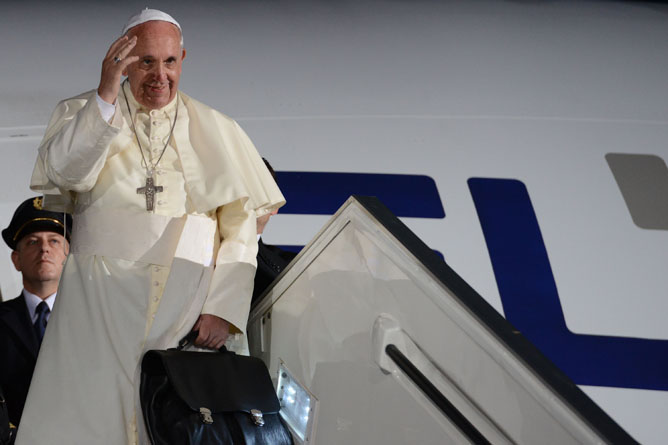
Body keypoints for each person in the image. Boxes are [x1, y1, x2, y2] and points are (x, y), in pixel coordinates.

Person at [17, 9, 283, 445]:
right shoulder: (81, 113)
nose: (159, 76)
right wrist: (105, 95)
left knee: (180, 424)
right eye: (144, 62)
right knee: (90, 420)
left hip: (186, 303)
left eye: (169, 62)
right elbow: (66, 173)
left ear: (182, 58)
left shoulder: (219, 128)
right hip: (98, 304)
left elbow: (240, 230)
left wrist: (224, 308)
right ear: (120, 61)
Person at [0, 197, 71, 428]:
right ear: (16, 259)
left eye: (54, 241)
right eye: (32, 242)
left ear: (68, 257)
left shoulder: (94, 320)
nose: (44, 249)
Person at [252, 159, 297, 305]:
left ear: (275, 206)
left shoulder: (292, 267)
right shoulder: (193, 256)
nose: (247, 199)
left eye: (258, 191)